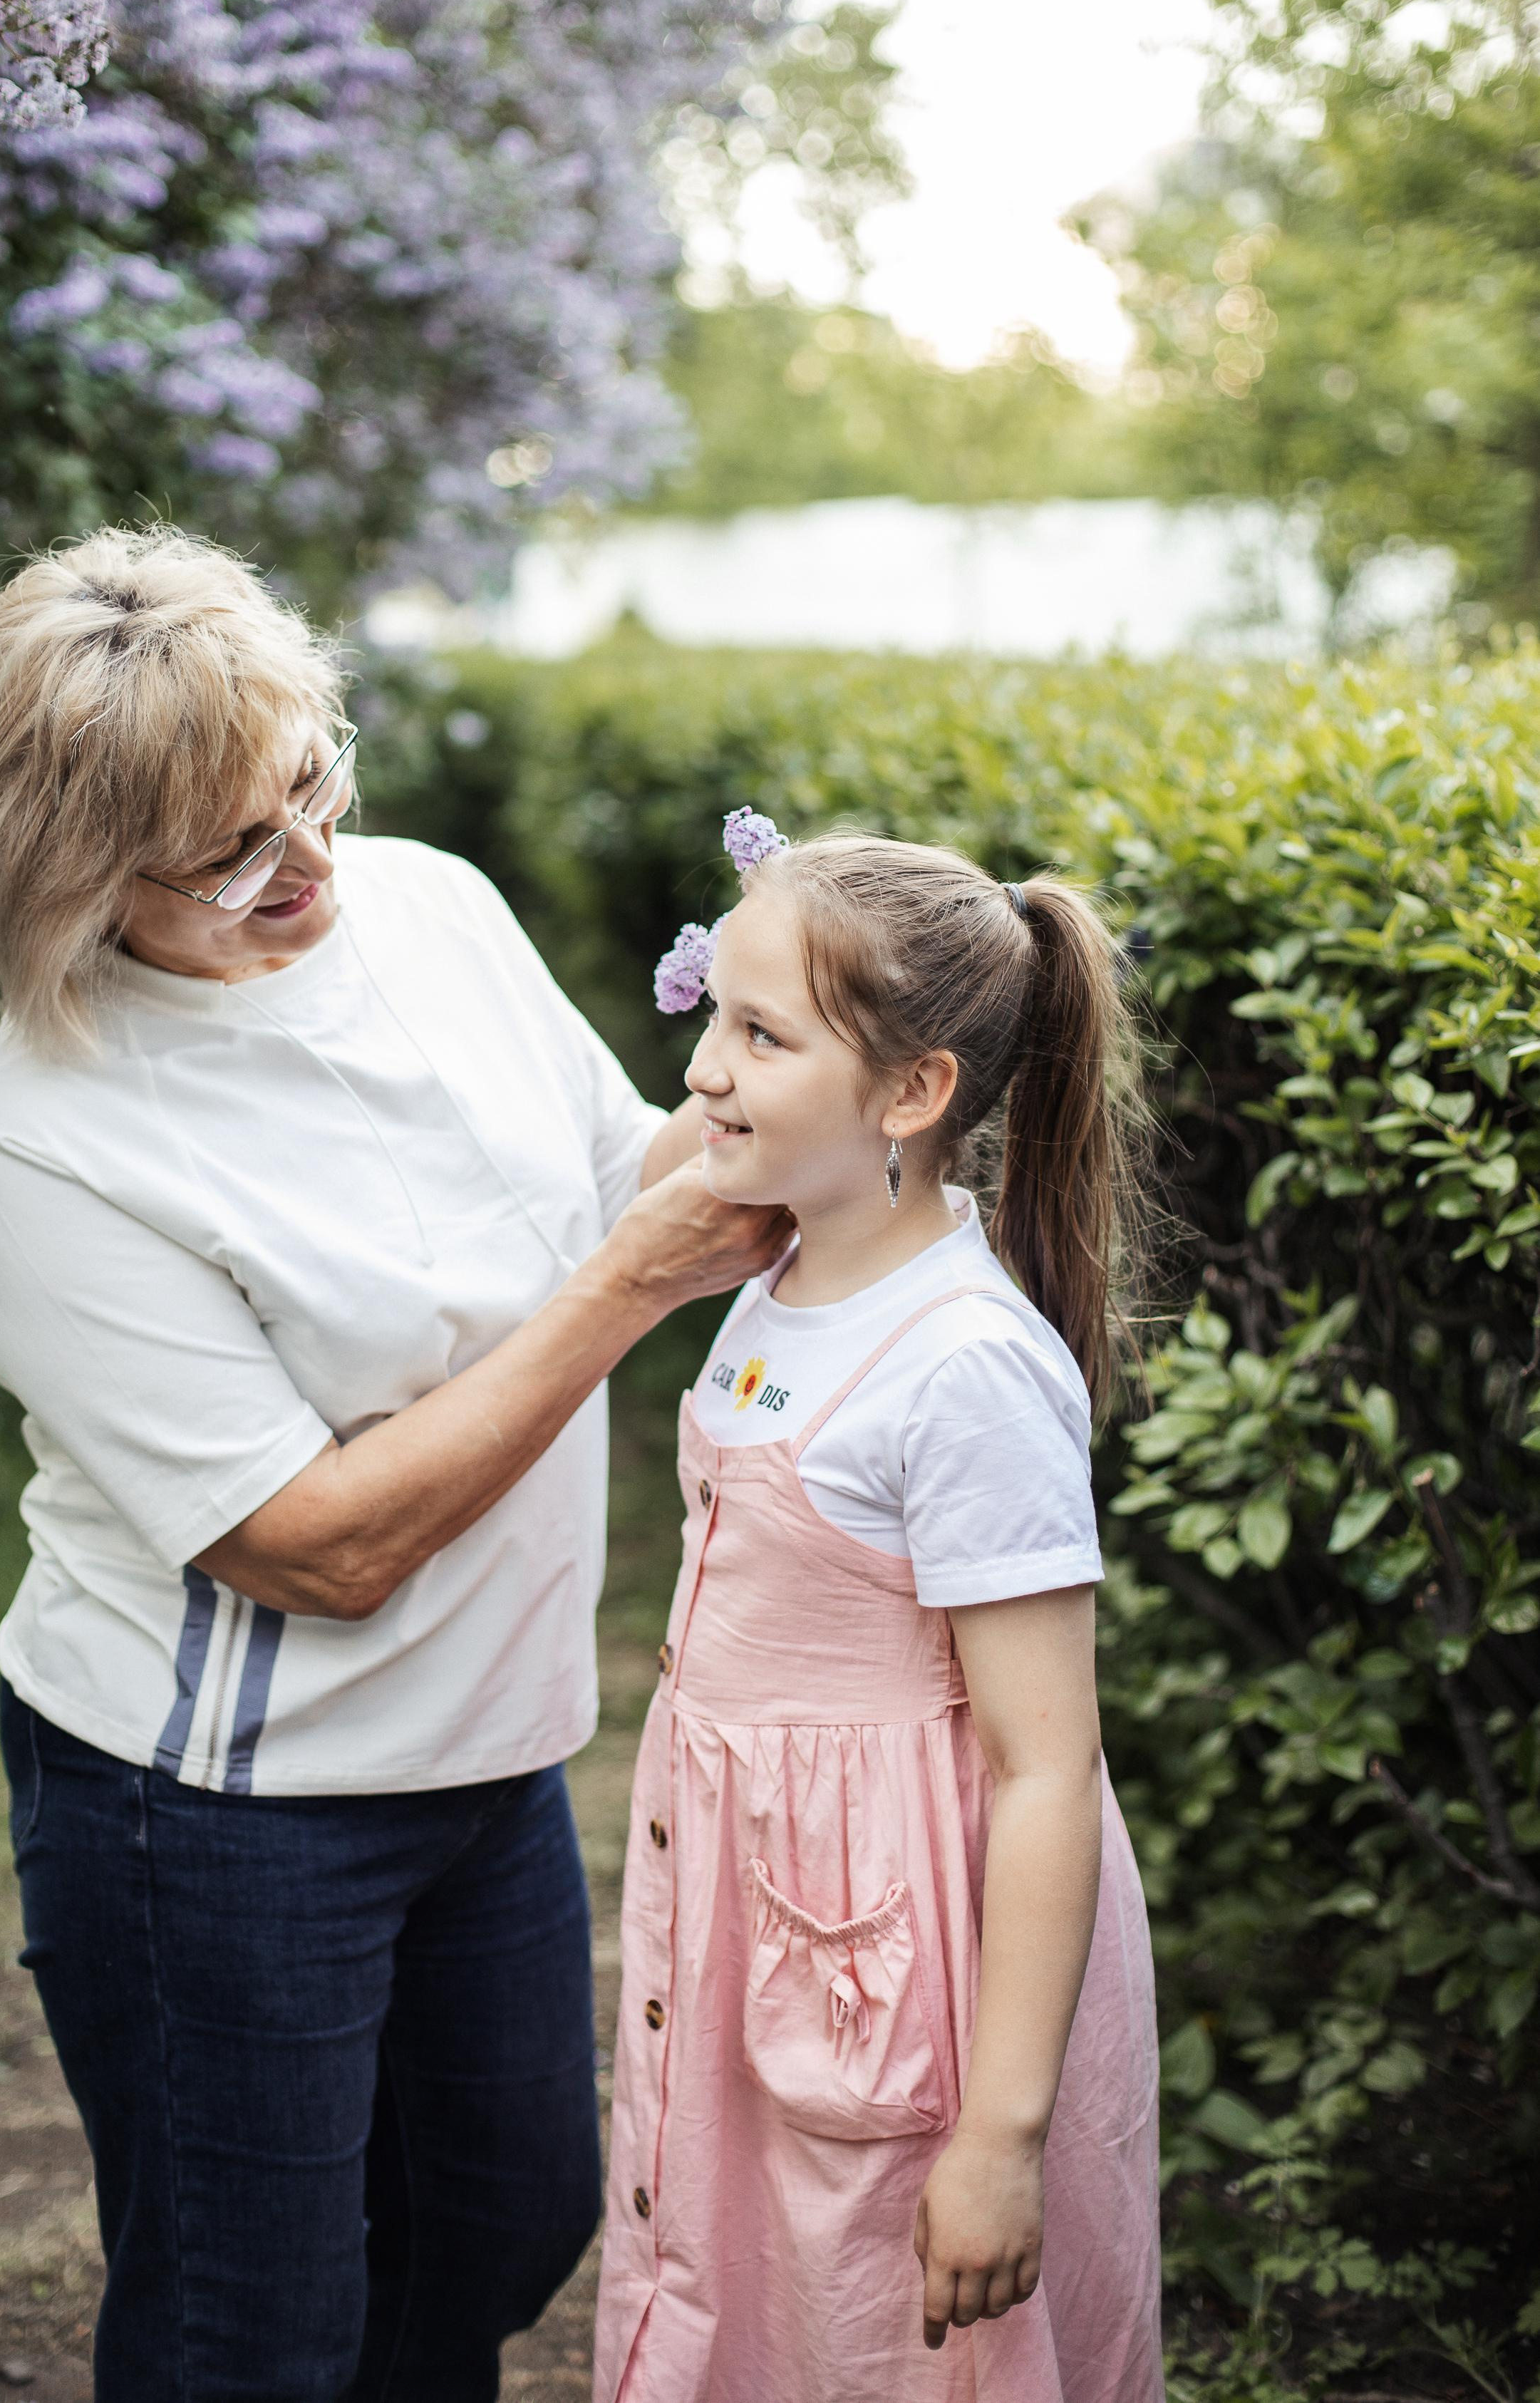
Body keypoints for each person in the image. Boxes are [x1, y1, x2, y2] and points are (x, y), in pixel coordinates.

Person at [0, 527, 787, 2403]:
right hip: (221, 1815)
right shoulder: (48, 1140)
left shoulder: (431, 906)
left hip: (488, 1744)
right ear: (75, 874)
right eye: (229, 851)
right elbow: (316, 1547)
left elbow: (608, 1176)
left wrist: (809, 1110)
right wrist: (631, 1290)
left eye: (308, 780)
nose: (305, 863)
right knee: (251, 2331)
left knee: (501, 2223)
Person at [594, 809, 1163, 2403]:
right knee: (764, 2286)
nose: (705, 1065)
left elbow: (1045, 1766)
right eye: (714, 1011)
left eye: (761, 1034)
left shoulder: (963, 1366)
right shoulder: (782, 1269)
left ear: (913, 1095)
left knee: (888, 2329)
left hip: (905, 1968)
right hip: (772, 1924)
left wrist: (999, 2134)